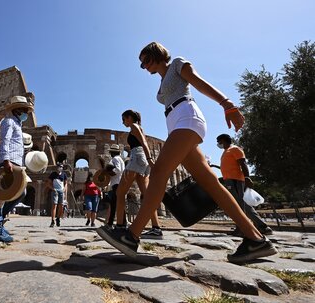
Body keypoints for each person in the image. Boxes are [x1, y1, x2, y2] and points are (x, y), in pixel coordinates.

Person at [97, 41, 277, 263]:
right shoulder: (162, 81)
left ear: (158, 55)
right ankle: (255, 239)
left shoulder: (177, 64)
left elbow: (199, 84)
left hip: (188, 118)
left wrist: (227, 104)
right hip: (177, 123)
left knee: (160, 172)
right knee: (213, 186)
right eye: (141, 64)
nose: (144, 67)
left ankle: (131, 235)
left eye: (146, 60)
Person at [0, 95, 33, 242]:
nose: (27, 113)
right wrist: (6, 160)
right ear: (17, 109)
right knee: (1, 196)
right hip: (8, 162)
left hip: (16, 163)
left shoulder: (18, 124)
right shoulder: (8, 122)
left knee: (20, 192)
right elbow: (4, 141)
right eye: (25, 110)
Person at [112, 110, 164, 239]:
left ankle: (120, 226)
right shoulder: (139, 127)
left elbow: (144, 143)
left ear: (129, 118)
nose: (122, 122)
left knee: (120, 192)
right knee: (146, 195)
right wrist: (148, 160)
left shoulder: (134, 126)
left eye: (123, 119)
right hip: (142, 160)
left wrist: (150, 159)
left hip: (137, 157)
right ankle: (156, 228)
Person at [216, 134, 273, 235]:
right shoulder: (226, 151)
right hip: (230, 181)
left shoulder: (235, 149)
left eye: (219, 141)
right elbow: (229, 167)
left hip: (235, 180)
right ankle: (242, 227)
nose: (218, 144)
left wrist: (247, 177)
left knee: (242, 204)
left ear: (224, 140)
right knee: (239, 205)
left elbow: (243, 163)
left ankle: (262, 226)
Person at [105, 144, 125, 227]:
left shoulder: (115, 159)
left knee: (114, 204)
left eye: (111, 152)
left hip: (117, 183)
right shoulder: (120, 159)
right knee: (117, 204)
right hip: (119, 182)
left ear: (113, 152)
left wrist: (108, 172)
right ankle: (121, 222)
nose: (110, 154)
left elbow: (117, 170)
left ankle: (111, 223)